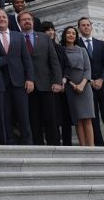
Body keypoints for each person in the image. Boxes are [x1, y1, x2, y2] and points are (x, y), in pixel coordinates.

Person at [0, 8, 33, 145]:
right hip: (0, 83)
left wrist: (30, 78)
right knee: (4, 116)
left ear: (8, 20)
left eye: (4, 17)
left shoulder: (18, 36)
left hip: (19, 82)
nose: (1, 19)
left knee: (23, 115)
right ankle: (9, 142)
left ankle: (28, 142)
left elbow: (26, 59)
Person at [20, 10, 63, 146]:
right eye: (23, 19)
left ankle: (55, 146)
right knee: (33, 119)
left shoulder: (44, 37)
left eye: (29, 19)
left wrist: (57, 81)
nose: (27, 21)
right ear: (19, 22)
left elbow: (54, 60)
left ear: (33, 22)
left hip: (46, 84)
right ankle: (38, 146)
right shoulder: (16, 38)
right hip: (26, 86)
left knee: (51, 119)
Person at [79, 16, 104, 146]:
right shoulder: (77, 44)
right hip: (88, 86)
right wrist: (91, 80)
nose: (86, 27)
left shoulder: (100, 43)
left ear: (91, 26)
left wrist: (101, 79)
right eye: (83, 25)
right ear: (79, 28)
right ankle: (99, 144)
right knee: (93, 117)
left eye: (88, 25)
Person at [61, 25, 95, 146]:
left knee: (87, 118)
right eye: (68, 33)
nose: (71, 35)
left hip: (84, 86)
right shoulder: (61, 51)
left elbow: (88, 69)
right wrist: (71, 84)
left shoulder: (82, 50)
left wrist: (82, 85)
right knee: (77, 119)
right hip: (70, 87)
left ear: (76, 36)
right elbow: (62, 70)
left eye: (73, 33)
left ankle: (92, 148)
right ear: (65, 35)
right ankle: (83, 147)